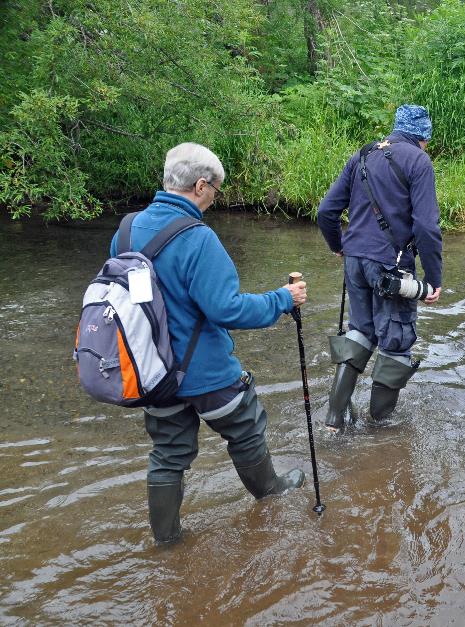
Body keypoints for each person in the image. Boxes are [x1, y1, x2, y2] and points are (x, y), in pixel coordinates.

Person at [110, 143, 307, 544]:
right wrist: (282, 300)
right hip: (207, 373)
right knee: (246, 430)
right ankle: (270, 492)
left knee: (168, 455)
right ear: (201, 185)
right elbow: (227, 310)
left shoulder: (127, 229)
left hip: (152, 372)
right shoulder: (199, 238)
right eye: (216, 191)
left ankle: (166, 543)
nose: (214, 199)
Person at [317, 104, 443, 430]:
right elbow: (427, 227)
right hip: (391, 267)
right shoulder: (418, 161)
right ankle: (381, 426)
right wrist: (434, 278)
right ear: (423, 136)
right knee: (396, 341)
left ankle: (334, 419)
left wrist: (339, 247)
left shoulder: (362, 155)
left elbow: (326, 212)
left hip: (355, 263)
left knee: (360, 332)